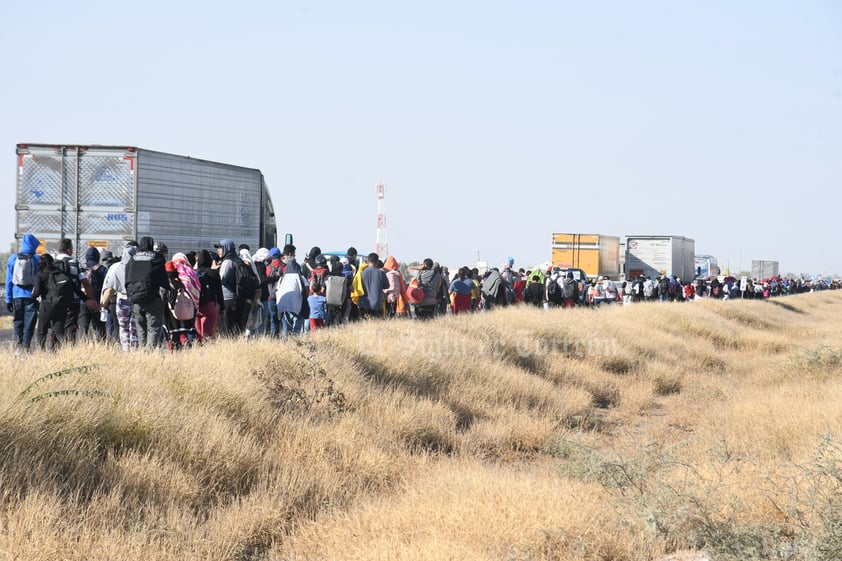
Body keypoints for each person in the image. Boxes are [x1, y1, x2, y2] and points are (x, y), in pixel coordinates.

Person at [32, 253, 91, 351]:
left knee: (42, 331)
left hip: (46, 306)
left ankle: (41, 352)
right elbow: (76, 289)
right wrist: (86, 299)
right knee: (59, 331)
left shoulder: (40, 274)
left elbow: (37, 292)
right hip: (61, 306)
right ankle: (66, 351)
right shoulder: (61, 273)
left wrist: (31, 300)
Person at [125, 236, 168, 349]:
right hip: (152, 299)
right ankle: (149, 353)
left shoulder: (132, 258)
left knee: (140, 329)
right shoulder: (157, 258)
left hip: (135, 299)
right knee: (153, 328)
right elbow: (163, 280)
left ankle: (142, 352)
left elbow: (127, 278)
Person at [55, 238, 98, 344]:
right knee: (70, 327)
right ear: (69, 250)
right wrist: (92, 299)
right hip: (72, 300)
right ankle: (69, 349)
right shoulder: (75, 263)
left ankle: (54, 349)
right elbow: (86, 283)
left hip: (55, 301)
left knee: (56, 326)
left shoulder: (52, 262)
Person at [5, 233, 41, 353]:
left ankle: (17, 349)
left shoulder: (13, 258)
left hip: (16, 295)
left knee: (18, 322)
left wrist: (8, 299)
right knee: (29, 324)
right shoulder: (37, 259)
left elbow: (9, 280)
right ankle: (26, 348)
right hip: (32, 295)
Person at [101, 241, 139, 352]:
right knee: (134, 327)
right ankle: (134, 350)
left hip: (122, 300)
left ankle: (125, 350)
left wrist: (103, 303)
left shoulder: (118, 268)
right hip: (136, 300)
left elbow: (110, 289)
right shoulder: (139, 268)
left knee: (123, 327)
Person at [216, 239, 253, 336]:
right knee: (237, 327)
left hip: (227, 299)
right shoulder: (237, 260)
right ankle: (237, 346)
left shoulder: (227, 262)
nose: (218, 250)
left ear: (226, 248)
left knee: (227, 329)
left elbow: (221, 279)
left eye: (220, 248)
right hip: (238, 298)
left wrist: (213, 272)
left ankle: (229, 347)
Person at [78, 247, 107, 342]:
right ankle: (101, 347)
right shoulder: (102, 269)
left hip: (83, 302)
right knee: (100, 328)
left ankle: (82, 346)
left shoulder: (81, 267)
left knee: (83, 327)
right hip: (97, 302)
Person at [195, 249, 224, 343]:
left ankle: (196, 354)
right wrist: (222, 307)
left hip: (196, 306)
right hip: (210, 306)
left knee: (198, 335)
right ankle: (207, 354)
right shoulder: (214, 274)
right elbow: (219, 292)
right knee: (207, 335)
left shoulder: (194, 273)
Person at [359, 253, 388, 318]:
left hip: (363, 304)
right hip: (377, 305)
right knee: (377, 326)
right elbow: (386, 286)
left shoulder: (361, 273)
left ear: (368, 261)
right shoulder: (381, 273)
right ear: (377, 262)